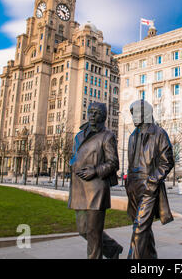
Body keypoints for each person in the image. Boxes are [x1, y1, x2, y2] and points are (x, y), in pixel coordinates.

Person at [68, 102, 123, 259]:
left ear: (103, 117)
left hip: (96, 189)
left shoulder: (107, 136)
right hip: (79, 188)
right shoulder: (79, 136)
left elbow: (114, 163)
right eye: (90, 112)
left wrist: (96, 170)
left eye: (96, 113)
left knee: (93, 232)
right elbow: (75, 155)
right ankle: (112, 249)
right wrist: (73, 162)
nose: (92, 115)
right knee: (83, 230)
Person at [126, 100, 174, 259]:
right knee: (143, 229)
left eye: (137, 113)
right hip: (133, 187)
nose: (134, 117)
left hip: (149, 186)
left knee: (139, 229)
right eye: (132, 114)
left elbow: (167, 161)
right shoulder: (133, 136)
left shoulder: (159, 133)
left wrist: (153, 181)